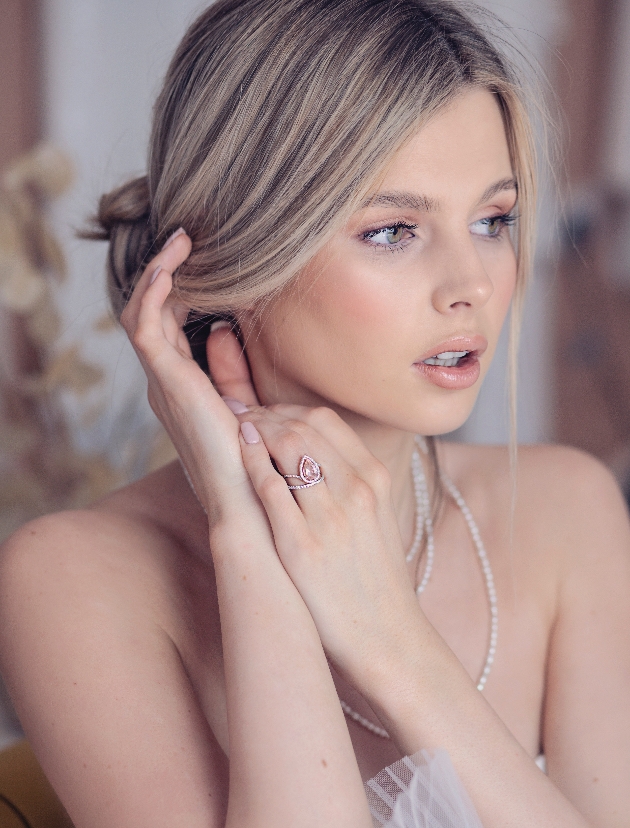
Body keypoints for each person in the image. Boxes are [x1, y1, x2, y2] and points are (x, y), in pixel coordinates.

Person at [1, 1, 629, 825]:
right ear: (233, 261)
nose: (471, 284)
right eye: (395, 231)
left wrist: (389, 639)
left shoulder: (563, 512)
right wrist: (250, 536)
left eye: (493, 220)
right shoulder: (75, 580)